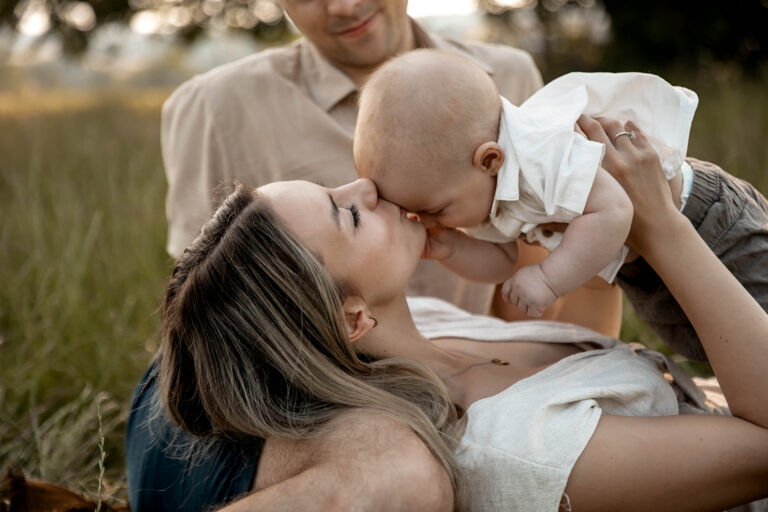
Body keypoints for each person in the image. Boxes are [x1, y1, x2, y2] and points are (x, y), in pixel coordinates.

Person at [129, 117, 768, 511]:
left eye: (332, 186)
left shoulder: (428, 324)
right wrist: (659, 227)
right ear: (351, 318)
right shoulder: (511, 454)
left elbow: (586, 382)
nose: (365, 186)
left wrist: (572, 232)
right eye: (347, 213)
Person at [355, 49, 768, 359]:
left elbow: (614, 210)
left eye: (437, 210)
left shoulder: (540, 151)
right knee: (713, 346)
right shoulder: (474, 186)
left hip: (707, 222)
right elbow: (504, 261)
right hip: (641, 264)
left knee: (756, 321)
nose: (433, 220)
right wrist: (454, 249)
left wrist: (549, 279)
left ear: (490, 160)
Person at [161, 0, 551, 318]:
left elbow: (529, 296)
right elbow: (205, 307)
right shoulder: (213, 108)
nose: (344, 6)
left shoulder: (510, 77)